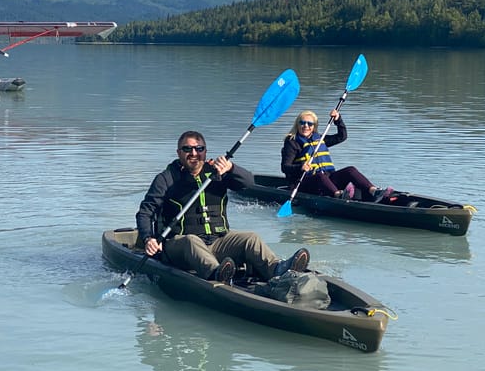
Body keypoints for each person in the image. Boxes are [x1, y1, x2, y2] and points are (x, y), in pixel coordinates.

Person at [137, 130, 309, 284]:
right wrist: (148, 239)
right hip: (178, 245)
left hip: (216, 240)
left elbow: (248, 183)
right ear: (178, 152)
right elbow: (145, 212)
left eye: (199, 149)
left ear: (205, 151)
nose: (194, 153)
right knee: (192, 240)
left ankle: (276, 269)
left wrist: (231, 168)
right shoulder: (166, 179)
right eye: (187, 149)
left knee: (251, 237)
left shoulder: (217, 172)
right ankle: (216, 273)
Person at [281, 110, 393, 202]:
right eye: (302, 123)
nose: (306, 126)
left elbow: (342, 136)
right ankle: (339, 195)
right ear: (297, 124)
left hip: (327, 180)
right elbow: (285, 167)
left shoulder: (320, 139)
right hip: (304, 183)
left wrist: (338, 120)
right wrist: (301, 167)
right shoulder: (292, 143)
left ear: (314, 126)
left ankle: (373, 190)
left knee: (350, 170)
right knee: (320, 176)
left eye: (310, 124)